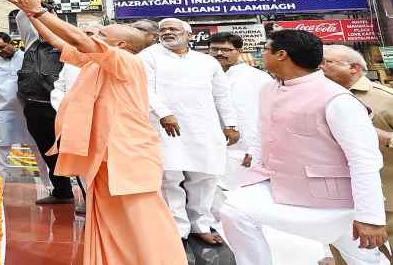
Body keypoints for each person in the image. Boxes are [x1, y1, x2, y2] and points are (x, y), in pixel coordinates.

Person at [6, 0, 187, 265]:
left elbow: (78, 38)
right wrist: (33, 15)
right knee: (108, 219)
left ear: (121, 46)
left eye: (103, 35)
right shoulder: (96, 63)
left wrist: (41, 11)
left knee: (143, 223)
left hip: (129, 156)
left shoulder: (126, 61)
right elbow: (57, 41)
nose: (94, 37)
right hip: (104, 157)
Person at [219, 30, 387, 265]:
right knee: (233, 211)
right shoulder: (269, 89)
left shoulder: (337, 99)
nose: (260, 54)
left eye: (265, 49)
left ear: (281, 55)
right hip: (283, 185)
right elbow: (264, 129)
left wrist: (371, 217)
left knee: (365, 260)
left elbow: (364, 160)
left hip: (336, 202)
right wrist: (254, 159)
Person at [140, 19, 239, 245]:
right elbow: (144, 88)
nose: (166, 32)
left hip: (204, 127)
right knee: (169, 177)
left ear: (189, 35)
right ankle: (177, 229)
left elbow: (222, 95)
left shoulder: (206, 62)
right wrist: (164, 113)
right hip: (164, 127)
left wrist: (231, 125)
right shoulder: (148, 56)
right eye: (162, 29)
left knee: (205, 176)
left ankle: (200, 224)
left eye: (173, 29)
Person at [321, 45, 393, 264]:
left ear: (353, 68)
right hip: (342, 199)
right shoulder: (317, 99)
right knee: (348, 257)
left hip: (388, 198)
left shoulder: (385, 99)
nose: (318, 66)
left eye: (326, 62)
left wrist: (384, 138)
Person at [14, 1, 77, 205]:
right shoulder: (32, 41)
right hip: (34, 107)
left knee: (72, 152)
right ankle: (62, 192)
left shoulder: (69, 45)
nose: (43, 29)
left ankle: (90, 198)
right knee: (47, 152)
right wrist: (34, 4)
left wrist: (46, 13)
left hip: (60, 108)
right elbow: (21, 19)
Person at [0, 31, 53, 195]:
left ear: (10, 42)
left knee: (41, 151)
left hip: (30, 112)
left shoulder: (27, 57)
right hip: (3, 113)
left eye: (1, 47)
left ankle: (52, 189)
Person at [208, 32, 272, 188]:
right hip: (210, 146)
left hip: (246, 147)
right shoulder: (201, 76)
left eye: (226, 50)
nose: (219, 53)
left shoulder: (259, 78)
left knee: (244, 193)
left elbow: (269, 116)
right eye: (214, 49)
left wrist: (256, 150)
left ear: (239, 51)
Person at [50, 23, 103, 110]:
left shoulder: (108, 62)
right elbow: (59, 88)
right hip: (70, 116)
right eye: (82, 34)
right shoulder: (70, 60)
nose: (84, 37)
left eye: (89, 33)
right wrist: (63, 108)